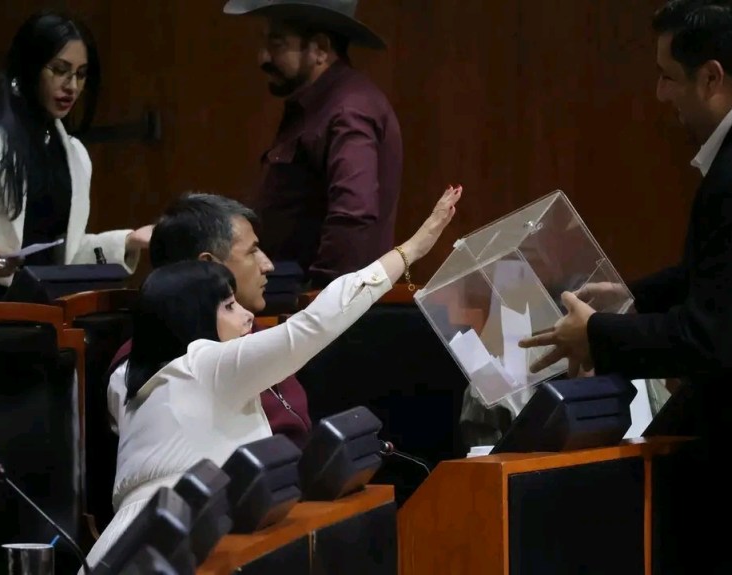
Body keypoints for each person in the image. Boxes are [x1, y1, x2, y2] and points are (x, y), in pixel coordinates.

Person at [519, 1, 732, 572]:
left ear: (712, 76)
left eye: (668, 77)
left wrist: (598, 336)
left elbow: (711, 338)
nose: (660, 94)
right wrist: (634, 299)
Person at [81, 185, 460, 570]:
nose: (247, 317)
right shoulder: (202, 363)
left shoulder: (181, 365)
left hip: (208, 537)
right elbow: (315, 324)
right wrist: (410, 251)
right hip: (176, 547)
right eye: (228, 306)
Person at [108, 192, 313, 448]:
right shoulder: (141, 366)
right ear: (209, 264)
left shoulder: (252, 329)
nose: (268, 265)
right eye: (252, 252)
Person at [223, 0, 402, 288]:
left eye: (277, 44)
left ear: (319, 48)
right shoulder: (317, 105)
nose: (262, 57)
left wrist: (322, 299)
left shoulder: (349, 109)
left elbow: (353, 215)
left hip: (325, 312)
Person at [0, 10, 152, 301]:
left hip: (38, 309)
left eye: (81, 75)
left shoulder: (74, 154)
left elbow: (65, 255)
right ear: (30, 66)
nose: (72, 86)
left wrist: (128, 241)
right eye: (60, 70)